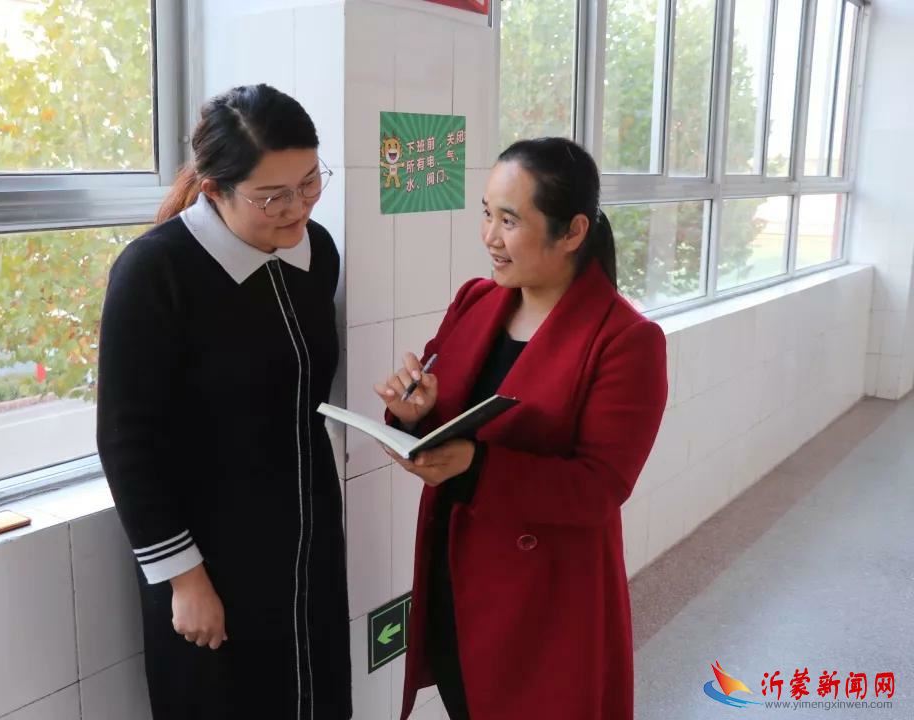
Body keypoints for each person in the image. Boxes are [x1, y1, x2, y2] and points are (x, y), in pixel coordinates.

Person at [376, 137, 668, 720]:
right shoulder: (477, 300)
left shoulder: (625, 340)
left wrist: (475, 467)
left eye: (509, 221)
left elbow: (599, 488)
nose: (489, 236)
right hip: (456, 575)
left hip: (544, 600)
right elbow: (446, 413)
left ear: (573, 232)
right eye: (486, 213)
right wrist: (414, 414)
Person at [96, 84, 351, 719]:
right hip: (210, 554)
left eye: (309, 182)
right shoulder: (156, 272)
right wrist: (184, 579)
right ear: (214, 189)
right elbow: (127, 440)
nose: (297, 208)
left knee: (316, 699)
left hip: (307, 532)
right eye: (272, 196)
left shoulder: (316, 253)